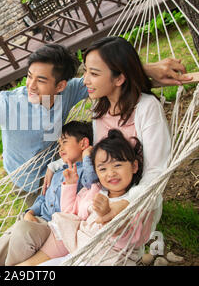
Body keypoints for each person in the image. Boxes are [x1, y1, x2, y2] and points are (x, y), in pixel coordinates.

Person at [0, 43, 189, 195]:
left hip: (64, 170)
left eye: (40, 80)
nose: (30, 86)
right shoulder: (7, 105)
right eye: (28, 77)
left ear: (61, 85)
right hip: (26, 181)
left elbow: (110, 75)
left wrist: (148, 68)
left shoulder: (72, 90)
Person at [43, 36, 172, 229]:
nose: (85, 79)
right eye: (85, 71)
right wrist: (56, 165)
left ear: (119, 78)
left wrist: (123, 204)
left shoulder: (146, 108)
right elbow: (97, 157)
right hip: (97, 199)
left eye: (93, 73)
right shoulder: (99, 110)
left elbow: (157, 172)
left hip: (135, 207)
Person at [0, 121, 96, 266]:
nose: (60, 148)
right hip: (37, 220)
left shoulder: (87, 170)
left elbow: (91, 181)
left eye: (64, 142)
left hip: (54, 227)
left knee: (22, 231)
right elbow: (42, 198)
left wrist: (88, 155)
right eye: (59, 145)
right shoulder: (57, 172)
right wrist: (30, 212)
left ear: (83, 143)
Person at [17, 129, 158, 266]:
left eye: (117, 165)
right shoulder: (94, 191)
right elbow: (70, 212)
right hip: (77, 251)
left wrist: (111, 219)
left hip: (104, 258)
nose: (110, 173)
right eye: (103, 169)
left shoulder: (137, 199)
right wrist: (71, 186)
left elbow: (133, 238)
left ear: (134, 166)